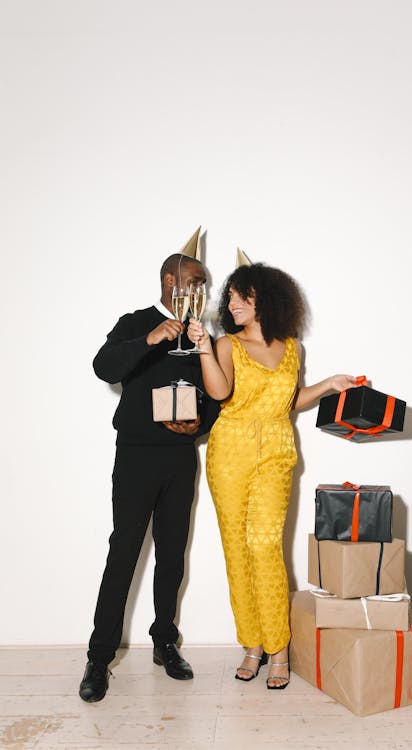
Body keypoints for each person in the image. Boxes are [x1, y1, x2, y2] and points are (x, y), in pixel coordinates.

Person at [188, 253, 359, 689]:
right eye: (228, 298)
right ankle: (251, 643)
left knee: (264, 545)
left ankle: (277, 647)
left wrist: (327, 385)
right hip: (229, 452)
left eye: (238, 296)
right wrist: (206, 349)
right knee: (237, 549)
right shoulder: (227, 344)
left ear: (263, 297)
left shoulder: (292, 347)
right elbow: (221, 393)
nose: (231, 304)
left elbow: (290, 400)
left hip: (277, 451)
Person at [79, 228, 219, 702]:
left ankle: (165, 643)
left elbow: (217, 397)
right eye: (194, 282)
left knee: (172, 555)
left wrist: (198, 425)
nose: (199, 291)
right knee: (123, 553)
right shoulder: (134, 321)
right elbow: (105, 367)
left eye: (204, 285)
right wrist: (152, 336)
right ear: (169, 281)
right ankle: (99, 658)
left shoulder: (203, 333)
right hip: (136, 456)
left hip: (181, 458)